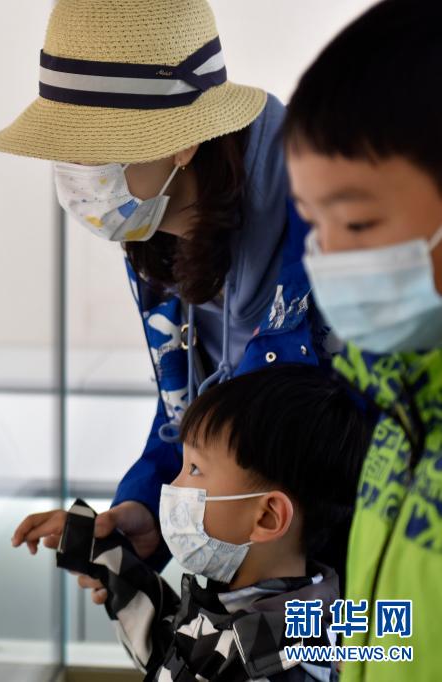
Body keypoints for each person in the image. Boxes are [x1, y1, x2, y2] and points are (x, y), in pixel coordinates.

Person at [0, 0, 331, 571]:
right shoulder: (156, 234)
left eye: (93, 145)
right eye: (62, 148)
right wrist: (147, 511)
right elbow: (191, 405)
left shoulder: (335, 218)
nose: (74, 173)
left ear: (184, 141)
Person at [16, 366, 372, 681]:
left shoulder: (283, 661)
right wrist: (89, 541)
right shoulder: (236, 607)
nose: (173, 486)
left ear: (267, 517)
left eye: (195, 469)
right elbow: (168, 649)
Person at [283, 1, 442, 678]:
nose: (328, 258)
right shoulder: (402, 413)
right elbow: (392, 631)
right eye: (312, 224)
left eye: (355, 224)